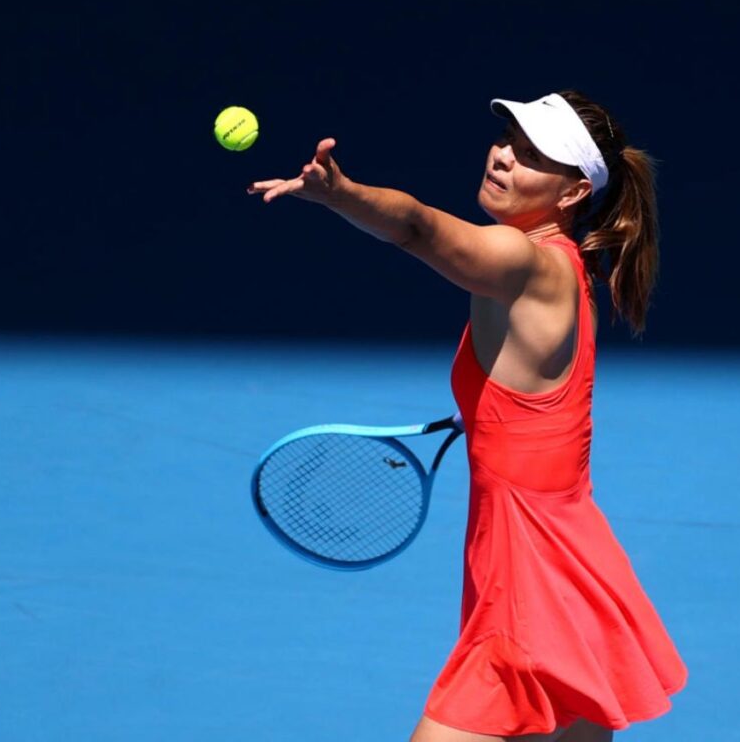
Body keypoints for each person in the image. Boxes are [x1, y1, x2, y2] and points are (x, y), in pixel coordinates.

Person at [247, 90, 687, 742]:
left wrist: (341, 194)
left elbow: (419, 227)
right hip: (572, 567)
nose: (504, 157)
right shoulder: (563, 269)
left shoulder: (525, 262)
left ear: (570, 195)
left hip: (529, 584)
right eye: (508, 139)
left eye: (533, 155)